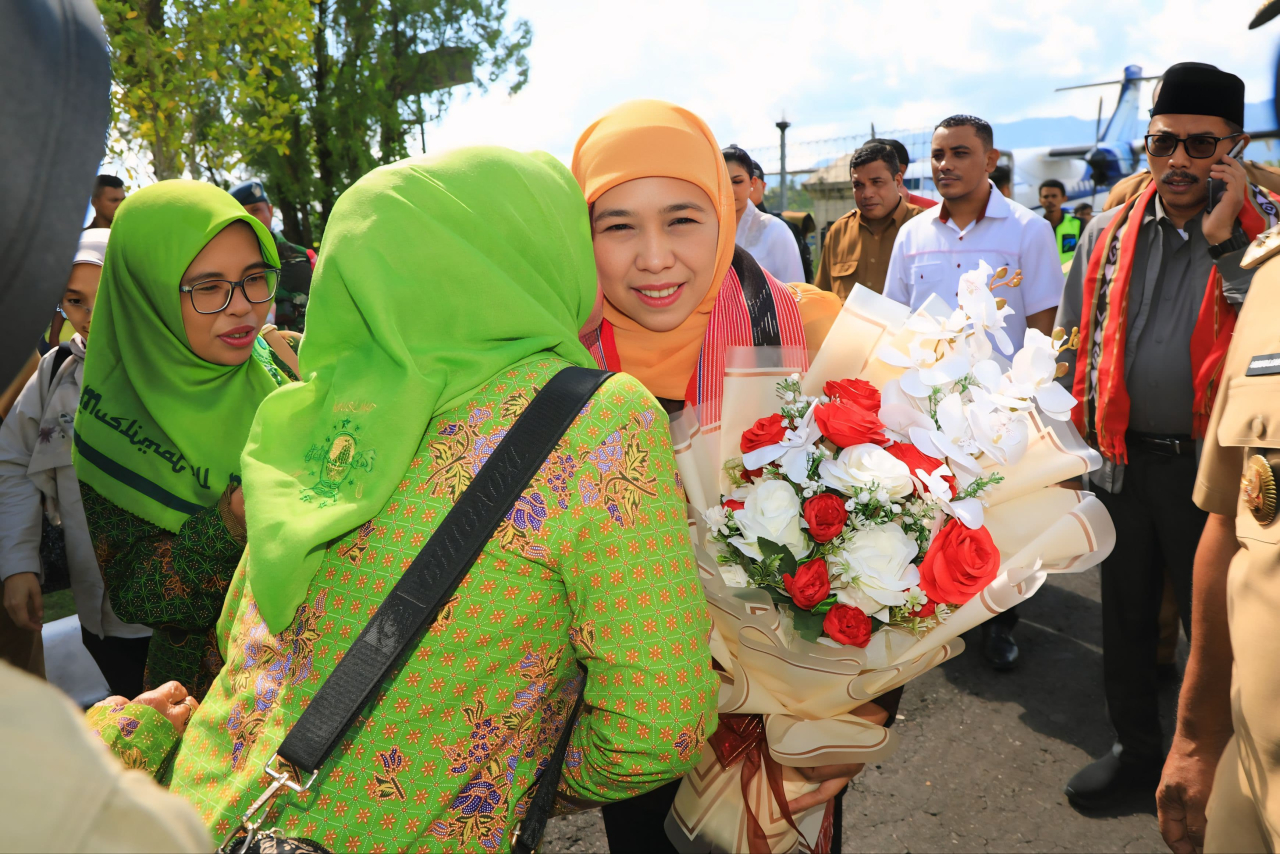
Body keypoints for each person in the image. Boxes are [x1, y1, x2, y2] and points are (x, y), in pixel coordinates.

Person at [85, 146, 719, 853]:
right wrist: (504, 779)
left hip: (205, 817)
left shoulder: (302, 413)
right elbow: (662, 724)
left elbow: (245, 645)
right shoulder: (596, 419)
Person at [573, 98, 888, 854]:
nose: (654, 257)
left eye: (682, 218)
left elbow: (905, 542)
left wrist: (854, 718)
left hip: (788, 723)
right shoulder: (558, 360)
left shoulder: (814, 333)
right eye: (617, 225)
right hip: (629, 722)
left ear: (726, 211)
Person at [1053, 62, 1273, 812]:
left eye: (1200, 145)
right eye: (1162, 143)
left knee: (1220, 629)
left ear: (1234, 148)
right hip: (1123, 461)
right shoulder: (1110, 229)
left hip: (1223, 474)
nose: (1178, 161)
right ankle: (1136, 752)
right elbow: (1072, 336)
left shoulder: (1266, 236)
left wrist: (1221, 246)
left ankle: (1221, 767)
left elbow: (1268, 342)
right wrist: (1065, 447)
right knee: (1125, 613)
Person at [73, 181, 300, 702]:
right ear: (147, 292)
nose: (241, 306)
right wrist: (233, 521)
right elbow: (135, 592)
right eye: (208, 287)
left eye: (254, 278)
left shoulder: (287, 359)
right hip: (225, 693)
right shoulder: (114, 428)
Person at [884, 114, 1061, 671]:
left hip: (998, 410)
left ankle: (1002, 623)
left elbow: (1043, 326)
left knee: (999, 524)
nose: (945, 165)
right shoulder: (912, 235)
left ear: (990, 160)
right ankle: (936, 622)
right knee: (933, 519)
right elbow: (893, 319)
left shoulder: (1027, 230)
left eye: (960, 153)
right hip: (928, 407)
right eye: (937, 155)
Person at [0, 228, 153, 695]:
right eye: (74, 300)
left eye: (104, 295)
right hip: (100, 614)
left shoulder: (174, 365)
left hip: (184, 612)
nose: (89, 316)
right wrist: (18, 563)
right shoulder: (55, 372)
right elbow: (12, 462)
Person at [815, 142, 922, 299]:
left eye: (876, 182)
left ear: (898, 181)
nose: (866, 193)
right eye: (858, 185)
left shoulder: (923, 228)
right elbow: (822, 300)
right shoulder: (839, 232)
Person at [228, 178, 313, 332]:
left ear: (270, 211)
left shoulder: (305, 258)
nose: (251, 219)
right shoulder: (224, 265)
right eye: (242, 214)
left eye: (256, 210)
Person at [722, 143, 805, 282]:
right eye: (722, 181)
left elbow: (795, 290)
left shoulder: (775, 230)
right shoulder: (705, 229)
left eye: (737, 181)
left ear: (752, 183)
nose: (729, 189)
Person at [869, 137, 939, 209]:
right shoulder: (861, 211)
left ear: (900, 171)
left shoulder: (932, 210)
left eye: (876, 181)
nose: (866, 193)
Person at [1040, 179, 1083, 265]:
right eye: (1046, 197)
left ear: (1064, 198)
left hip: (1070, 278)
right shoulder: (1035, 227)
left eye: (1054, 196)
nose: (1050, 200)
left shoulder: (1079, 224)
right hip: (1045, 278)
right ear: (1040, 200)